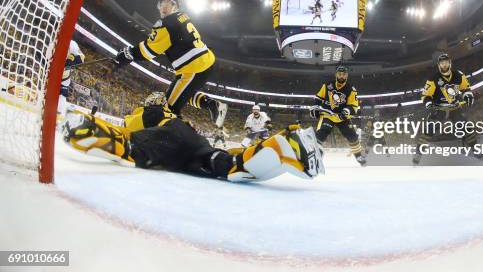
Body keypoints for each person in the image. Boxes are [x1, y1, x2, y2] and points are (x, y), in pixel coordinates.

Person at [64, 93, 324, 182]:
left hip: (171, 137)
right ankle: (283, 144)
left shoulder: (146, 111)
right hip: (193, 143)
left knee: (131, 147)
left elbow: (129, 131)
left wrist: (94, 120)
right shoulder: (168, 110)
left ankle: (83, 125)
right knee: (224, 165)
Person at [115, 0, 227, 128]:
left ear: (175, 6)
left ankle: (175, 140)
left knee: (169, 110)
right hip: (203, 62)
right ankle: (211, 104)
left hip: (193, 67)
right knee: (183, 93)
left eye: (167, 4)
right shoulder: (182, 17)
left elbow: (150, 49)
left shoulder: (166, 23)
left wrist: (129, 53)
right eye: (161, 4)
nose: (163, 7)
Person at [414, 53, 477, 165]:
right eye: (442, 63)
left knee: (466, 127)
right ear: (439, 65)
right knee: (430, 129)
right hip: (439, 109)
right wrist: (428, 103)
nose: (444, 65)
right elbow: (426, 95)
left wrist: (468, 95)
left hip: (455, 107)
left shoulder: (459, 75)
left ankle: (475, 149)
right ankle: (418, 153)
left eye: (446, 62)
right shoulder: (432, 79)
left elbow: (466, 88)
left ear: (450, 63)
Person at [310, 65, 366, 166]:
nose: (341, 76)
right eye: (339, 74)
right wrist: (315, 108)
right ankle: (312, 155)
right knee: (322, 133)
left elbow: (354, 106)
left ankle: (358, 156)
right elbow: (318, 98)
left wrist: (346, 111)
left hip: (342, 117)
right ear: (336, 74)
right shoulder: (327, 85)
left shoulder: (351, 89)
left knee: (352, 136)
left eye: (344, 74)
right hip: (328, 114)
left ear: (347, 76)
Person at [58, 40, 85, 121]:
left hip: (64, 76)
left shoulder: (72, 44)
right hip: (52, 72)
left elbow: (82, 58)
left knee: (62, 93)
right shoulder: (54, 40)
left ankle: (58, 116)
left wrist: (70, 61)